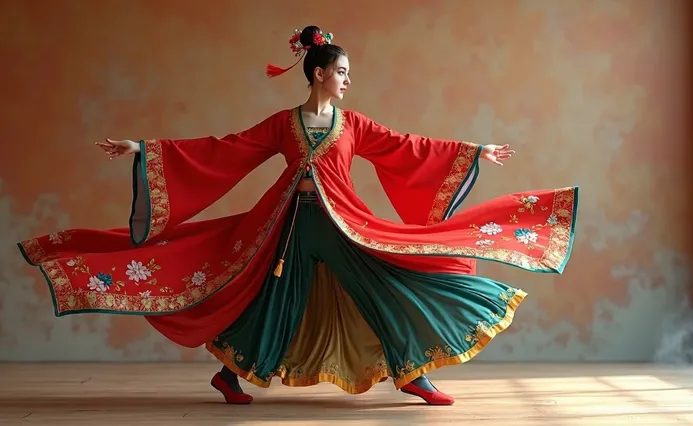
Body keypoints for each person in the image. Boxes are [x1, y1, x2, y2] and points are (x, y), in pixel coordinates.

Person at [17, 25, 579, 406]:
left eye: (347, 74)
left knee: (383, 283)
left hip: (343, 224)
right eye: (341, 72)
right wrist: (144, 149)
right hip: (285, 223)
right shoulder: (281, 124)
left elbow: (407, 145)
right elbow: (223, 147)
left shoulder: (353, 124)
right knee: (271, 297)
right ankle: (230, 373)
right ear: (317, 74)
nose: (347, 80)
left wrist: (471, 151)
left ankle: (413, 372)